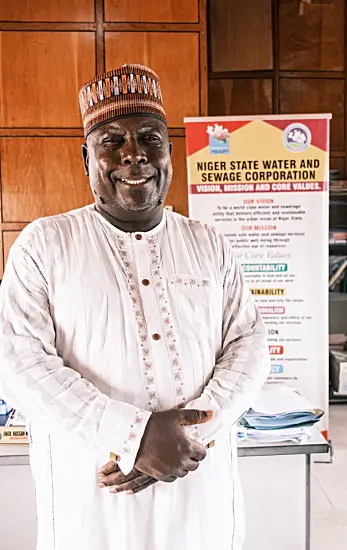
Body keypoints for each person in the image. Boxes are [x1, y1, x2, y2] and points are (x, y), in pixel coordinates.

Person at [0, 64, 270, 550]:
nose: (134, 155)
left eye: (151, 137)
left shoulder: (208, 243)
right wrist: (135, 437)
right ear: (87, 158)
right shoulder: (44, 245)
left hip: (198, 483)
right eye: (111, 141)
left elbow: (249, 344)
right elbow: (19, 363)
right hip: (96, 495)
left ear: (170, 152)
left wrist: (190, 433)